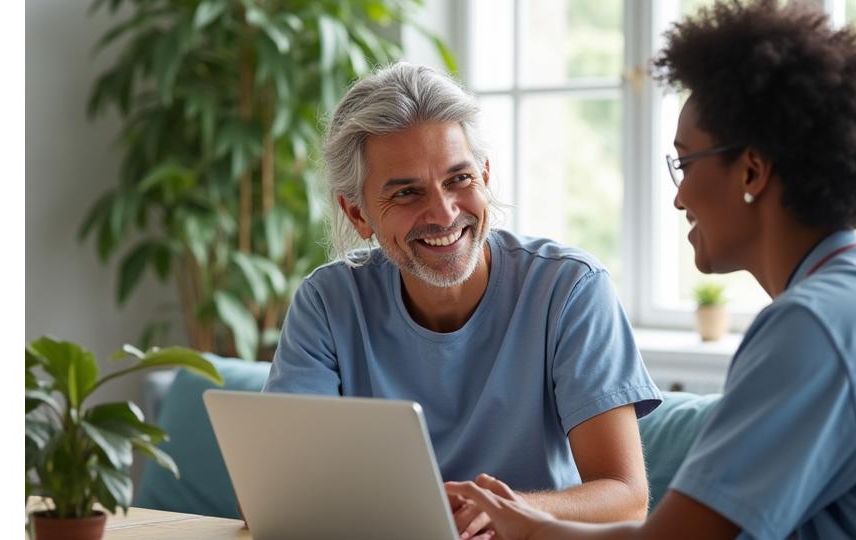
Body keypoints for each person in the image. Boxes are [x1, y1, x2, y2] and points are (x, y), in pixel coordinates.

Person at [446, 1, 856, 539]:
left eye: (685, 161)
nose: (679, 198)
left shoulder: (816, 328)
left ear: (751, 170)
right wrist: (532, 520)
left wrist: (530, 529)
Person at [263, 62, 662, 538]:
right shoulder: (327, 303)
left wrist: (507, 511)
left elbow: (625, 497)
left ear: (485, 177)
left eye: (459, 179)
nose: (444, 213)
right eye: (407, 192)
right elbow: (281, 496)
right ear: (358, 213)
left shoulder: (570, 289)